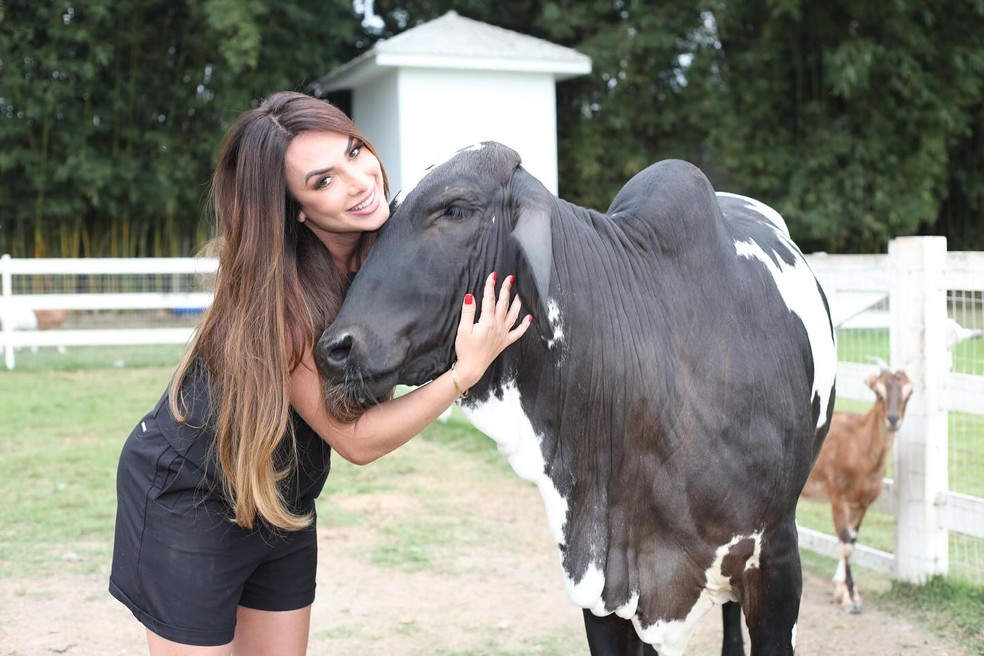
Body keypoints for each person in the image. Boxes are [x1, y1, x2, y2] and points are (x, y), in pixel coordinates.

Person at [109, 91, 531, 655]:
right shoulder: (280, 300)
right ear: (296, 210)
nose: (360, 181)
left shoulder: (386, 248)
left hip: (283, 498)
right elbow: (354, 439)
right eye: (324, 180)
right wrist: (462, 373)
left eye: (356, 152)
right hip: (190, 496)